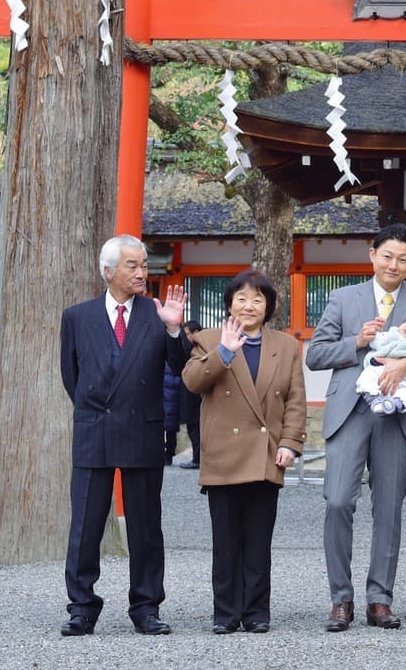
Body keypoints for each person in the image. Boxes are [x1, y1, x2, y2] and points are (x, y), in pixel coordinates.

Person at [306, 222, 406, 632]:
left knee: (388, 508)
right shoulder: (342, 298)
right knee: (337, 501)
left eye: (403, 258)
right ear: (372, 255)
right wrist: (356, 340)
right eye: (387, 255)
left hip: (396, 416)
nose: (394, 264)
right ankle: (341, 599)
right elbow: (315, 355)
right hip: (350, 409)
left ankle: (379, 599)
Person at [58, 235, 189, 637]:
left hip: (143, 428)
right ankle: (82, 607)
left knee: (146, 525)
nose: (141, 271)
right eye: (132, 265)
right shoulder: (77, 317)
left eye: (143, 264)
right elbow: (71, 377)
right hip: (94, 427)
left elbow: (182, 367)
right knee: (86, 524)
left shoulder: (157, 314)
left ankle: (146, 606)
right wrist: (96, 408)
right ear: (108, 270)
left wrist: (173, 329)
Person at [183, 269, 306, 634]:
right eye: (241, 298)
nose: (249, 306)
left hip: (266, 453)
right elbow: (192, 382)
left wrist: (290, 443)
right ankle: (225, 614)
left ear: (268, 306)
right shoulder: (207, 339)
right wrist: (223, 352)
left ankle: (255, 612)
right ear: (229, 303)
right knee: (225, 541)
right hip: (223, 454)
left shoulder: (285, 345)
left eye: (257, 299)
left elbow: (296, 400)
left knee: (257, 540)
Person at [177, 321, 203, 470]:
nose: (186, 337)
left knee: (195, 426)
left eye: (187, 334)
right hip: (190, 392)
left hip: (196, 393)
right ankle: (197, 457)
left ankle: (197, 458)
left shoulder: (197, 348)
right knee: (192, 426)